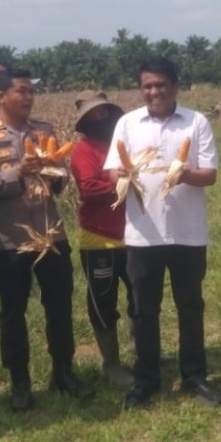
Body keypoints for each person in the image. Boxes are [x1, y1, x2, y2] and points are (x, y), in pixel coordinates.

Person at [0, 68, 94, 412]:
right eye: (20, 91)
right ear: (0, 96)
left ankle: (63, 372)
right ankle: (19, 382)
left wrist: (53, 174)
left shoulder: (44, 131)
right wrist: (18, 172)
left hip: (52, 235)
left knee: (60, 307)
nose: (28, 97)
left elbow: (60, 179)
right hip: (10, 240)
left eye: (30, 92)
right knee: (13, 312)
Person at [105, 56, 221, 410]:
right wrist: (124, 175)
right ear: (140, 89)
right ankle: (146, 381)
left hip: (188, 234)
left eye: (160, 84)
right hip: (143, 235)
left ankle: (194, 376)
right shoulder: (127, 124)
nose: (153, 91)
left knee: (190, 306)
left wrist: (182, 173)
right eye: (147, 86)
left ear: (174, 86)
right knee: (144, 310)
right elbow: (114, 171)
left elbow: (210, 174)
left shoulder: (196, 122)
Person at [69, 90, 135, 390]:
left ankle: (143, 352)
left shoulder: (123, 145)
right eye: (94, 114)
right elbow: (89, 190)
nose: (102, 117)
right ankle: (111, 364)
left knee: (140, 298)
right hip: (100, 240)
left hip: (133, 235)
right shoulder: (84, 151)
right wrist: (121, 182)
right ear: (85, 121)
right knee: (103, 303)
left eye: (105, 112)